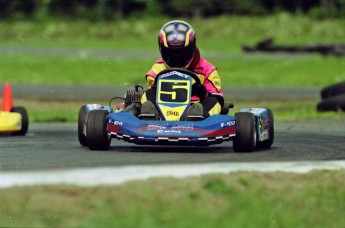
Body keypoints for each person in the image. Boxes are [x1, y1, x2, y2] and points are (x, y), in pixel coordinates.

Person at [140, 20, 224, 120]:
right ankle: (151, 116)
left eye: (182, 53)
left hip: (195, 109)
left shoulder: (207, 69)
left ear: (192, 47)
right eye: (171, 54)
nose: (177, 59)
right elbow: (152, 92)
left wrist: (203, 92)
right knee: (148, 94)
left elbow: (217, 98)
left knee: (214, 101)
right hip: (163, 109)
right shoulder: (158, 68)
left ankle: (197, 118)